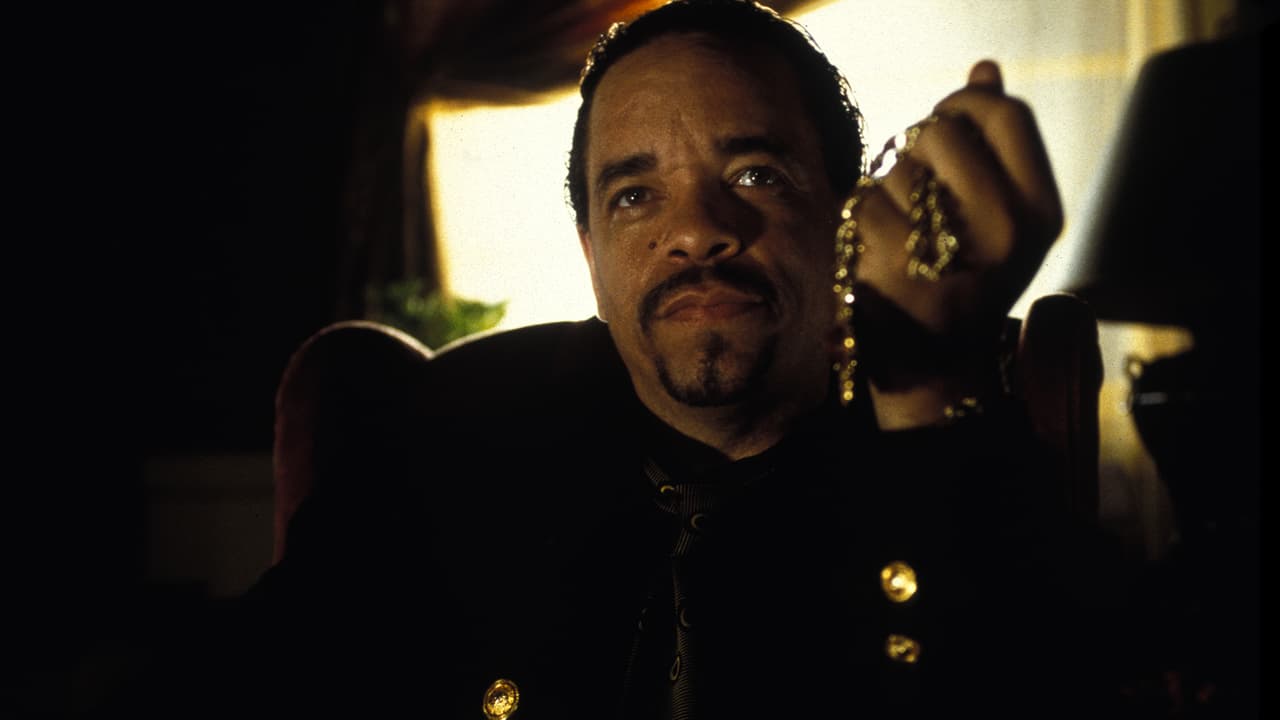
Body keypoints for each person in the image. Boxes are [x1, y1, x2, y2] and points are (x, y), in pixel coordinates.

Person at [120, 1, 1133, 717]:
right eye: (635, 195)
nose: (694, 231)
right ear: (590, 254)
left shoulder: (948, 436)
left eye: (755, 172)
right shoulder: (453, 429)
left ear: (845, 217)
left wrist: (927, 383)